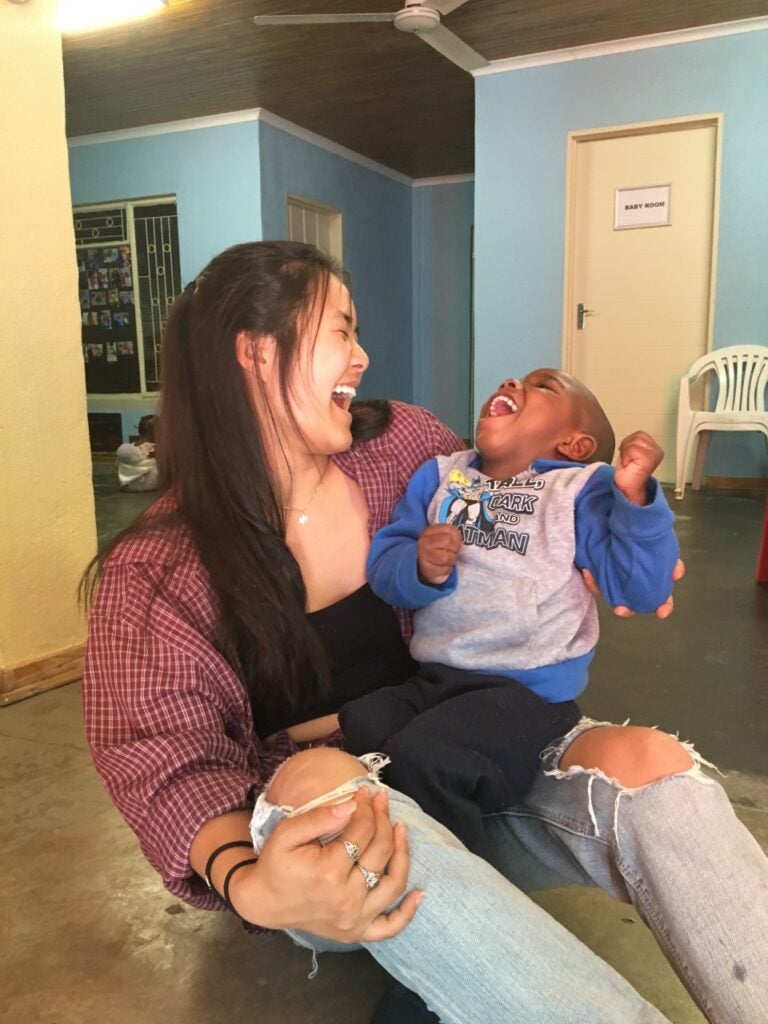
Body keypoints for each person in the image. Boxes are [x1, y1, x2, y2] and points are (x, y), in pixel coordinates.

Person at [82, 241, 768, 1024]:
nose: (364, 355)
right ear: (256, 351)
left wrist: (603, 538)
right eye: (341, 330)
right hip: (333, 843)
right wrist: (245, 877)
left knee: (654, 767)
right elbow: (158, 757)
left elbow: (515, 495)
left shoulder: (404, 445)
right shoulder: (156, 569)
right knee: (321, 782)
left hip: (468, 756)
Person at [337, 370, 679, 849]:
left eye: (544, 387)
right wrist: (419, 565)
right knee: (364, 720)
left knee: (427, 756)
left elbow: (640, 589)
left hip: (525, 689)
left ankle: (459, 878)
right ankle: (432, 821)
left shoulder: (579, 490)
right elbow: (386, 567)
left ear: (574, 444)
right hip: (438, 676)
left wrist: (636, 502)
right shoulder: (440, 475)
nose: (514, 380)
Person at [115, 414, 160, 492]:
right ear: (152, 432)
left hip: (126, 485)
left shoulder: (128, 449)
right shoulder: (154, 448)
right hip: (148, 485)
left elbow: (117, 465)